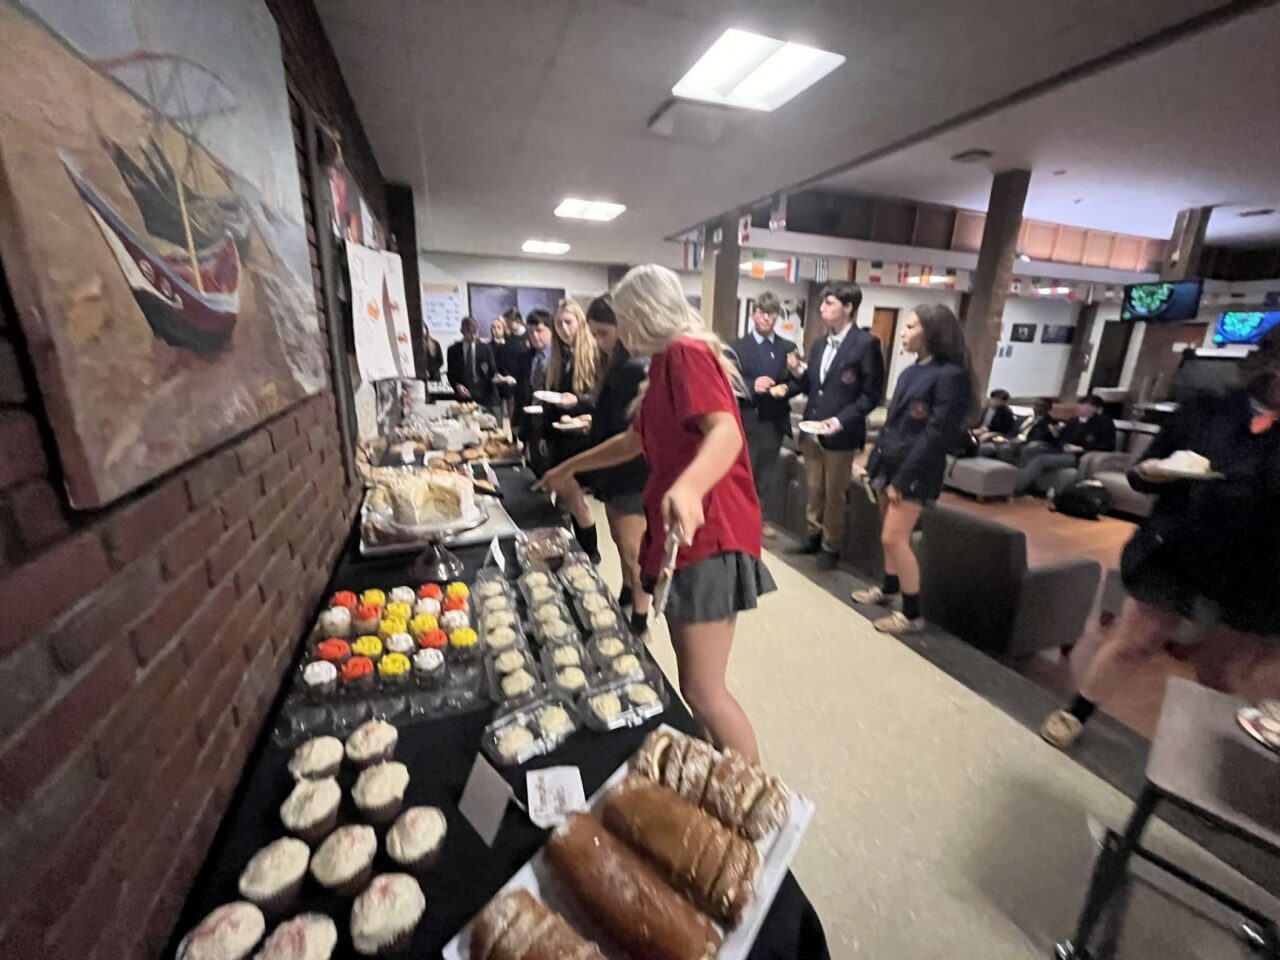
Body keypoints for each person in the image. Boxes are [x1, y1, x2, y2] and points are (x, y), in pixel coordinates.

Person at [539, 264, 774, 761]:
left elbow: (726, 431)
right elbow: (633, 441)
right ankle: (721, 772)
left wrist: (689, 487)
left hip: (709, 533)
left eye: (622, 321)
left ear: (643, 313)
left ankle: (756, 797)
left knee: (705, 691)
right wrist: (571, 467)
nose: (619, 334)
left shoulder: (687, 353)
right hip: (685, 535)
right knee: (696, 688)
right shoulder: (664, 365)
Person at [1040, 328, 1280, 749]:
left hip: (1250, 573)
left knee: (1219, 672)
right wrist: (1149, 472)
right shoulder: (1209, 410)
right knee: (1133, 641)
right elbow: (1144, 470)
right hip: (1175, 551)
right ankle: (1076, 712)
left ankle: (1198, 756)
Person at [851, 304, 975, 635]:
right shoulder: (909, 373)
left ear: (931, 332)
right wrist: (872, 462)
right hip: (890, 463)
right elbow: (892, 425)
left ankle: (912, 612)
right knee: (887, 535)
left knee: (895, 537)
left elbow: (936, 435)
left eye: (910, 327)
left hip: (917, 471)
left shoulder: (952, 377)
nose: (903, 333)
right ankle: (888, 588)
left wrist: (904, 480)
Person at [782, 281, 885, 570]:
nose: (822, 308)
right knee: (813, 489)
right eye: (822, 303)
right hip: (812, 428)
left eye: (829, 303)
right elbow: (812, 384)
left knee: (834, 494)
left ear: (848, 307)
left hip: (841, 433)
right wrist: (796, 372)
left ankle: (831, 545)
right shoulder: (819, 344)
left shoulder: (865, 344)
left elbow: (871, 394)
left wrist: (841, 420)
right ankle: (813, 535)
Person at [573, 295, 652, 635]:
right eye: (594, 334)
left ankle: (640, 613)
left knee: (634, 550)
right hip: (615, 471)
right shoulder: (617, 364)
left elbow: (631, 430)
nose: (598, 342)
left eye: (604, 333)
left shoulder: (635, 366)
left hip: (633, 472)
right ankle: (625, 589)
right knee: (619, 539)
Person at [730, 291, 798, 539]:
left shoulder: (787, 348)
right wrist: (752, 385)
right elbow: (729, 380)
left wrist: (787, 387)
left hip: (773, 419)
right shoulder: (736, 347)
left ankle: (760, 519)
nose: (767, 318)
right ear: (753, 314)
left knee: (766, 474)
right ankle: (738, 518)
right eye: (762, 312)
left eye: (772, 314)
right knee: (742, 472)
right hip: (746, 418)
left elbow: (798, 381)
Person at [543, 299, 604, 562]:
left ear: (581, 323)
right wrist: (545, 434)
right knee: (566, 500)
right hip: (560, 438)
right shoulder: (560, 357)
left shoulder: (594, 356)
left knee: (575, 499)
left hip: (581, 441)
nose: (563, 329)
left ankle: (591, 554)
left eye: (568, 322)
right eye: (558, 324)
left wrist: (577, 402)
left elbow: (600, 399)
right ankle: (575, 552)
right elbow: (551, 400)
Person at [1012, 394, 1116, 495]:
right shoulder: (1074, 421)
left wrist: (1081, 448)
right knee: (1030, 449)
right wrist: (1055, 434)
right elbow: (1061, 438)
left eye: (1084, 405)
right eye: (1079, 404)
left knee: (1040, 460)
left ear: (1094, 408)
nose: (1079, 407)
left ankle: (1015, 488)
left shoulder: (1104, 423)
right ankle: (1026, 482)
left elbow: (1107, 445)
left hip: (1076, 455)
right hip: (1060, 449)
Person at [514, 309, 554, 473]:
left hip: (551, 421)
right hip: (530, 421)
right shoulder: (525, 358)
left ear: (550, 330)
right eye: (530, 332)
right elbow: (521, 392)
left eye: (539, 331)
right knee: (533, 469)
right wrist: (516, 422)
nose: (535, 336)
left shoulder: (560, 358)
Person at [978, 397, 1058, 463]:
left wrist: (1018, 441)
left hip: (1024, 444)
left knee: (1005, 449)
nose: (1037, 408)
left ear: (1049, 408)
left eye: (1041, 406)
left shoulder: (1050, 423)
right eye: (1036, 405)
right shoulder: (1025, 418)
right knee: (986, 446)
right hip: (1009, 440)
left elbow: (1039, 437)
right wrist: (1004, 438)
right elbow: (1011, 431)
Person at [446, 316, 496, 406]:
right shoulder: (453, 350)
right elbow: (450, 374)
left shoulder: (486, 349)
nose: (473, 336)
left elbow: (492, 371)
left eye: (475, 333)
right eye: (470, 333)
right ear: (463, 331)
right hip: (463, 394)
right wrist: (457, 385)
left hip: (483, 394)